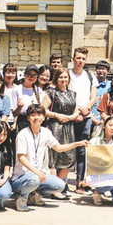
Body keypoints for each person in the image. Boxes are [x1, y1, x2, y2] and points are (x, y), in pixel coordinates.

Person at [10, 104, 89, 212]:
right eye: (32, 115)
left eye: (39, 115)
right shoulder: (22, 134)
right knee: (34, 179)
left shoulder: (46, 132)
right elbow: (21, 158)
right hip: (22, 177)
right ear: (28, 118)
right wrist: (37, 172)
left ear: (43, 117)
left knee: (60, 185)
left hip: (38, 175)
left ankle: (33, 194)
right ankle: (22, 198)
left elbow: (59, 148)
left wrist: (77, 144)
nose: (36, 118)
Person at [42, 68, 79, 200]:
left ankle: (55, 185)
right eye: (61, 77)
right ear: (56, 79)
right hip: (55, 126)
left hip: (68, 127)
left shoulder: (73, 94)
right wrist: (57, 115)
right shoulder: (51, 93)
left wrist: (70, 117)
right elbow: (43, 110)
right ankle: (55, 190)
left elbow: (76, 110)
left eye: (65, 77)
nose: (63, 80)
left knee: (70, 158)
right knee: (54, 158)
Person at [68, 47, 97, 193]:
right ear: (73, 58)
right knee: (67, 150)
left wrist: (85, 109)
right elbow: (65, 94)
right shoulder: (67, 75)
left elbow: (93, 97)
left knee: (82, 151)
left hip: (86, 118)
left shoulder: (90, 76)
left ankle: (80, 182)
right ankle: (63, 183)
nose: (80, 61)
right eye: (78, 58)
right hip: (70, 117)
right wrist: (78, 111)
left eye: (83, 58)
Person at [90, 118, 113, 206]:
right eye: (110, 125)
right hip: (99, 175)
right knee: (108, 185)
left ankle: (112, 193)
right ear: (104, 126)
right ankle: (97, 192)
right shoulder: (95, 141)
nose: (112, 128)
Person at [10, 65, 47, 132]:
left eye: (34, 75)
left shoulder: (39, 91)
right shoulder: (16, 89)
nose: (31, 77)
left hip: (36, 121)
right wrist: (20, 107)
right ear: (25, 75)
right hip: (22, 121)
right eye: (29, 75)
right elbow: (14, 113)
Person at [90, 60, 111, 128]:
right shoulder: (91, 84)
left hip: (106, 119)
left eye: (103, 69)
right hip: (92, 118)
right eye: (99, 68)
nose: (101, 71)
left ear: (108, 71)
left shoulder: (111, 85)